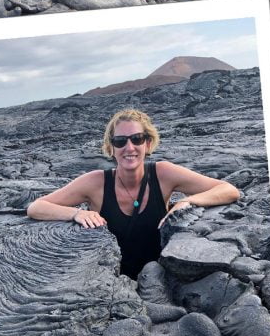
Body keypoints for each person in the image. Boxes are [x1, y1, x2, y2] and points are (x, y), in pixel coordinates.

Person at [26, 108, 241, 279]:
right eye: (120, 141)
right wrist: (76, 214)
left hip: (162, 278)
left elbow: (228, 190)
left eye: (137, 139)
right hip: (111, 282)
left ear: (147, 143)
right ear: (111, 148)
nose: (129, 147)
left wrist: (187, 202)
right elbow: (36, 207)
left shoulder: (163, 173)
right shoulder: (95, 182)